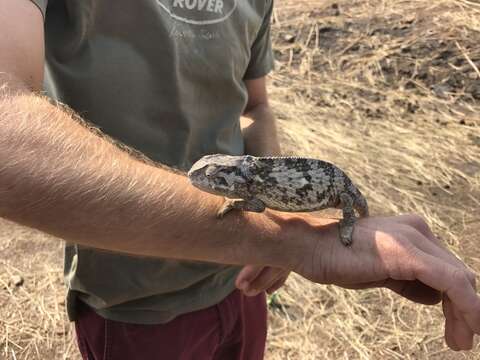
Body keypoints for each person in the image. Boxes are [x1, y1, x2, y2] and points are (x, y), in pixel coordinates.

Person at [0, 0, 479, 358]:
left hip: (243, 283)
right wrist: (289, 241)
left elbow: (255, 107)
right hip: (136, 299)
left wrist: (283, 229)